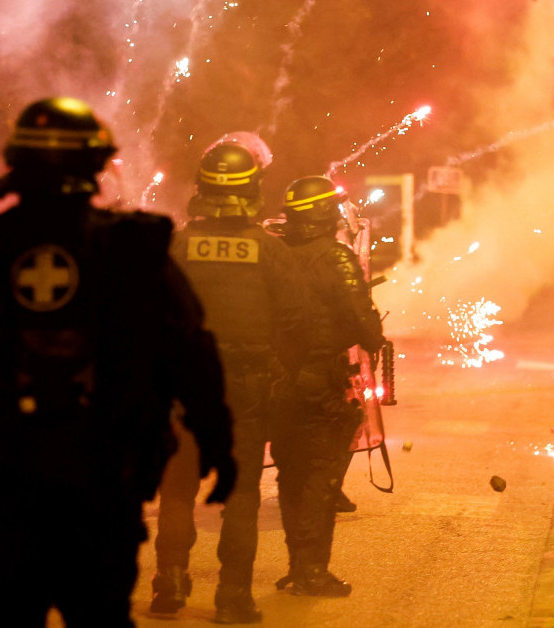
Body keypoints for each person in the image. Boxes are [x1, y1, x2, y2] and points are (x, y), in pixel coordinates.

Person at [0, 97, 238, 627]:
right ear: (96, 167)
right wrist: (216, 440)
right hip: (102, 476)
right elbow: (190, 351)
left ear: (15, 165)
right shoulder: (131, 247)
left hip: (2, 475)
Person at [149, 139, 311, 623]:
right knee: (239, 494)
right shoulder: (269, 250)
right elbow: (298, 321)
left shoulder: (174, 246)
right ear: (254, 190)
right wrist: (282, 370)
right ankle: (234, 596)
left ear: (201, 190)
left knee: (177, 488)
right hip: (245, 387)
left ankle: (169, 583)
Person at [272, 175, 384, 596]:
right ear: (325, 214)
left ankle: (296, 565)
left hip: (277, 383)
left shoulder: (274, 253)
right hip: (320, 383)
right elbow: (363, 321)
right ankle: (312, 572)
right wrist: (376, 337)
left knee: (290, 476)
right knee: (320, 481)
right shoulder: (337, 258)